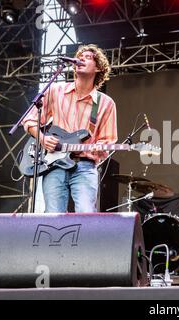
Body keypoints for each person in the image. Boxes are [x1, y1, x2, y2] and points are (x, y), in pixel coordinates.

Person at [22, 44, 118, 213]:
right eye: (80, 57)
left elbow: (108, 141)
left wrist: (99, 149)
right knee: (53, 217)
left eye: (88, 58)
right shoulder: (55, 91)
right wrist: (43, 139)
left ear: (98, 68)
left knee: (85, 216)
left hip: (85, 167)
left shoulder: (105, 103)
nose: (81, 59)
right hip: (53, 165)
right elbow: (29, 119)